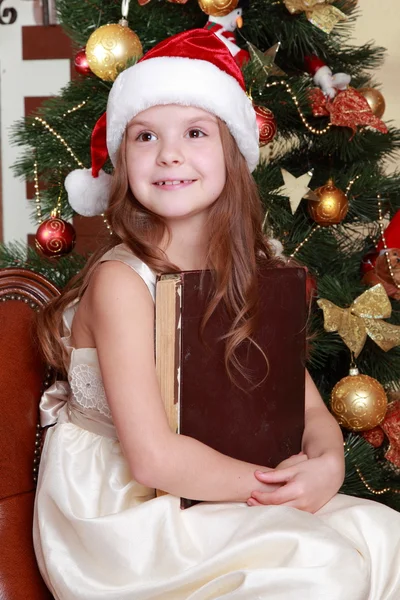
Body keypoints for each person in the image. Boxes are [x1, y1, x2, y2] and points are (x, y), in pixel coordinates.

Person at [34, 28, 400, 600]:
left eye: (195, 132)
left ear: (232, 154)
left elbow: (306, 406)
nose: (169, 153)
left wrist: (327, 463)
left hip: (217, 483)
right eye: (145, 136)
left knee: (385, 534)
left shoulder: (249, 272)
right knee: (321, 563)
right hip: (125, 511)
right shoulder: (121, 282)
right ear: (123, 160)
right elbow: (153, 459)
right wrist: (273, 489)